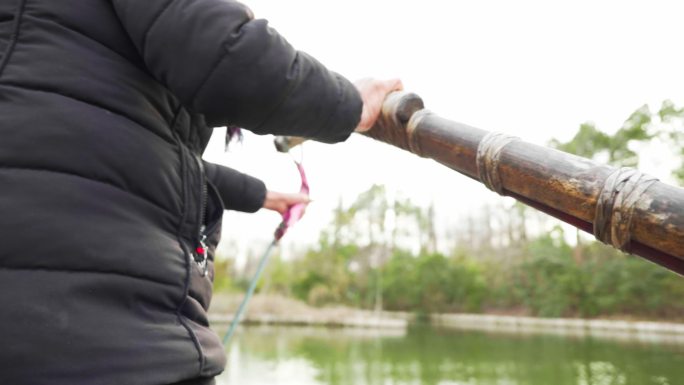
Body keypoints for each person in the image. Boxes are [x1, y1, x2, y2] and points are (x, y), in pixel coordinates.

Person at [0, 0, 401, 384]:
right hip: (103, 335)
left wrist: (265, 196)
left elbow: (150, 158)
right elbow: (227, 57)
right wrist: (350, 103)